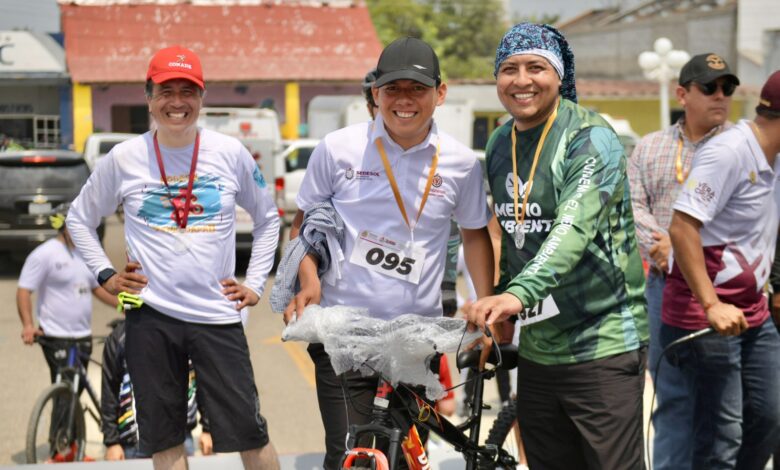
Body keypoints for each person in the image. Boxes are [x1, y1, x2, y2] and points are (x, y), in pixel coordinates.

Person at [66, 45, 281, 470]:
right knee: (164, 440)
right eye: (167, 91)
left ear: (201, 99)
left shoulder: (229, 153)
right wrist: (106, 274)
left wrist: (255, 283)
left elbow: (268, 218)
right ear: (149, 97)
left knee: (250, 434)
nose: (177, 102)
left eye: (188, 91)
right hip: (151, 317)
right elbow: (78, 218)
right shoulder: (124, 158)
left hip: (217, 317)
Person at [283, 37, 494, 469]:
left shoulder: (460, 163)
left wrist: (485, 302)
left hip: (416, 336)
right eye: (392, 88)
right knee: (352, 455)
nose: (404, 100)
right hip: (343, 329)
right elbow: (304, 223)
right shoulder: (338, 148)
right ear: (375, 93)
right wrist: (308, 280)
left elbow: (475, 235)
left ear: (440, 93)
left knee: (401, 457)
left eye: (417, 89)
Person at [467, 23, 648, 470]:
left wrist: (514, 296)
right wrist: (503, 303)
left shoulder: (591, 138)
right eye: (509, 69)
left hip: (602, 343)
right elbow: (515, 233)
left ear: (560, 73)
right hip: (539, 348)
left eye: (536, 67)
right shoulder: (498, 143)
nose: (521, 80)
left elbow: (571, 229)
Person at [661, 70, 780, 470]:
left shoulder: (774, 157)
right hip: (705, 315)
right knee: (720, 437)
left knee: (769, 417)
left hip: (752, 313)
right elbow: (681, 227)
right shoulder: (729, 152)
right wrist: (712, 305)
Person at [627, 52, 738, 469]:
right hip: (665, 286)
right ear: (682, 93)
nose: (721, 96)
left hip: (729, 288)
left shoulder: (740, 146)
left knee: (727, 407)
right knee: (673, 397)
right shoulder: (651, 146)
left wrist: (686, 246)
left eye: (728, 88)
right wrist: (662, 244)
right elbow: (631, 205)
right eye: (709, 87)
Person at [16, 203, 118, 461]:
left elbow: (96, 288)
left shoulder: (85, 254)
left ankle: (71, 444)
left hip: (82, 336)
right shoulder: (45, 254)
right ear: (63, 226)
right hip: (55, 335)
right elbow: (24, 291)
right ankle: (59, 449)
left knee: (75, 390)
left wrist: (123, 304)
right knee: (64, 389)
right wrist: (29, 325)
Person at [101, 318, 213, 460]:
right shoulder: (120, 338)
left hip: (181, 438)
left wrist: (208, 428)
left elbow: (202, 380)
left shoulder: (184, 331)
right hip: (133, 445)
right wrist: (112, 442)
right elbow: (109, 391)